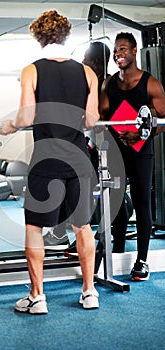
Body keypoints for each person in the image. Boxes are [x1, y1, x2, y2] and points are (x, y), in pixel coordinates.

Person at [0, 10, 100, 313]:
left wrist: (10, 127)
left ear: (38, 37)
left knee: (34, 227)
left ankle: (37, 296)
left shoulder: (32, 70)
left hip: (47, 160)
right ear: (66, 36)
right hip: (80, 160)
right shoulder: (87, 72)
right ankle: (90, 291)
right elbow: (93, 119)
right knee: (82, 227)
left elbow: (27, 116)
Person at [99, 32, 165, 281]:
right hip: (116, 152)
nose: (119, 54)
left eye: (123, 49)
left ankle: (142, 260)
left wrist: (141, 134)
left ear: (135, 51)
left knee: (141, 203)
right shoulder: (109, 83)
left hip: (141, 152)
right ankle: (115, 252)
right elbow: (103, 118)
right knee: (114, 202)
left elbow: (162, 120)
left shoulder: (150, 83)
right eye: (116, 50)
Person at [64, 41, 111, 257]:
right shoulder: (85, 81)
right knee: (85, 196)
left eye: (87, 59)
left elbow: (98, 115)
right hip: (87, 145)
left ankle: (109, 242)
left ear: (99, 62)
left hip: (107, 147)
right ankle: (86, 239)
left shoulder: (108, 84)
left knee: (108, 195)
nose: (83, 62)